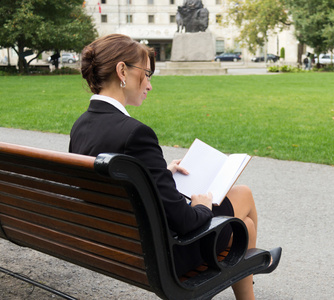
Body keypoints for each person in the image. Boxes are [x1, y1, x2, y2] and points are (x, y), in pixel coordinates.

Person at [69, 34, 280, 300]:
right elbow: (184, 222)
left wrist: (154, 175)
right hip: (163, 254)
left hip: (115, 243)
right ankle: (252, 261)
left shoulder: (81, 125)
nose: (149, 84)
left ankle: (249, 266)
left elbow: (102, 186)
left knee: (244, 227)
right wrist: (202, 205)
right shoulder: (135, 133)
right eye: (146, 73)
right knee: (244, 197)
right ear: (122, 70)